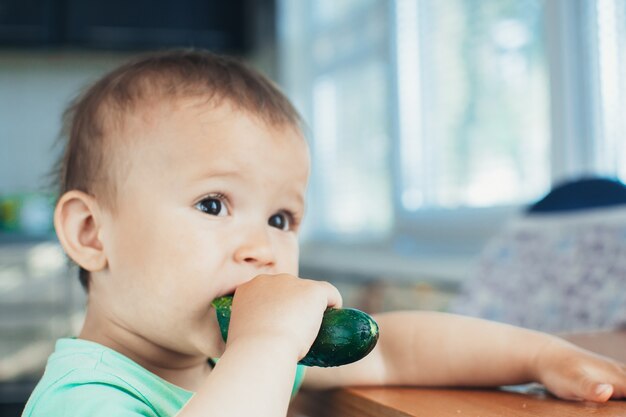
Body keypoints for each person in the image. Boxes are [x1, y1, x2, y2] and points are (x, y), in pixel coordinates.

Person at [23, 49, 625, 417]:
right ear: (92, 234)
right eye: (212, 204)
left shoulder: (231, 360)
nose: (261, 248)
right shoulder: (82, 399)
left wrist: (542, 354)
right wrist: (265, 345)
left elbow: (393, 350)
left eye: (281, 219)